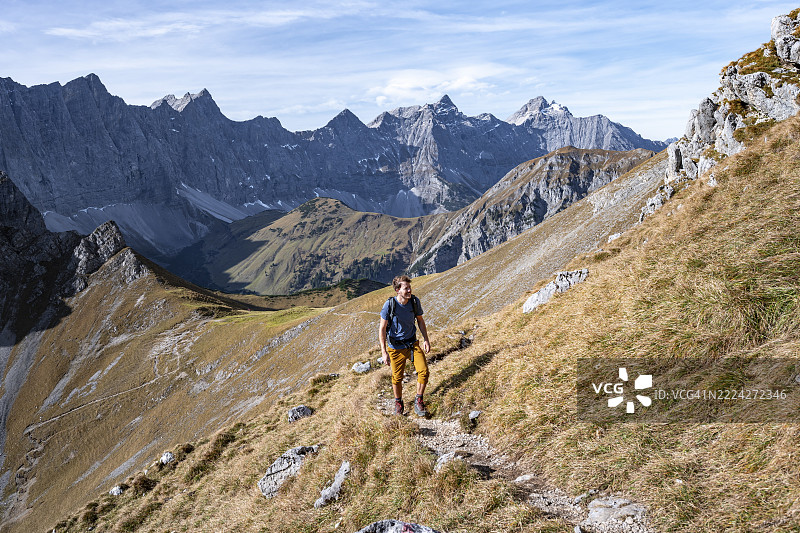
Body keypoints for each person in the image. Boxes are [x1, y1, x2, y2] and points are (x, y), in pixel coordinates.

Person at [379, 275, 432, 416]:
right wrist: (384, 352)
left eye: (409, 287)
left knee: (424, 371)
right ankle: (398, 402)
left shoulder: (414, 301)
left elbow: (420, 320)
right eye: (405, 288)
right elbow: (382, 329)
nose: (409, 290)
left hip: (412, 344)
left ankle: (418, 399)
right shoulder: (389, 305)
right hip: (395, 348)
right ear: (397, 290)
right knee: (397, 378)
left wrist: (426, 339)